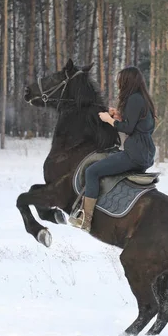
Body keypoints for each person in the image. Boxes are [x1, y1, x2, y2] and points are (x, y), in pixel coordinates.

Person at [69, 66, 156, 232]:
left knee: (92, 172)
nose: (118, 84)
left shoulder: (134, 99)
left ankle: (85, 220)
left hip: (134, 154)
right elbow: (136, 124)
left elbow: (128, 129)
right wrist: (119, 116)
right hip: (145, 153)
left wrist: (109, 120)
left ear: (128, 81)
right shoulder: (143, 99)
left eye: (120, 80)